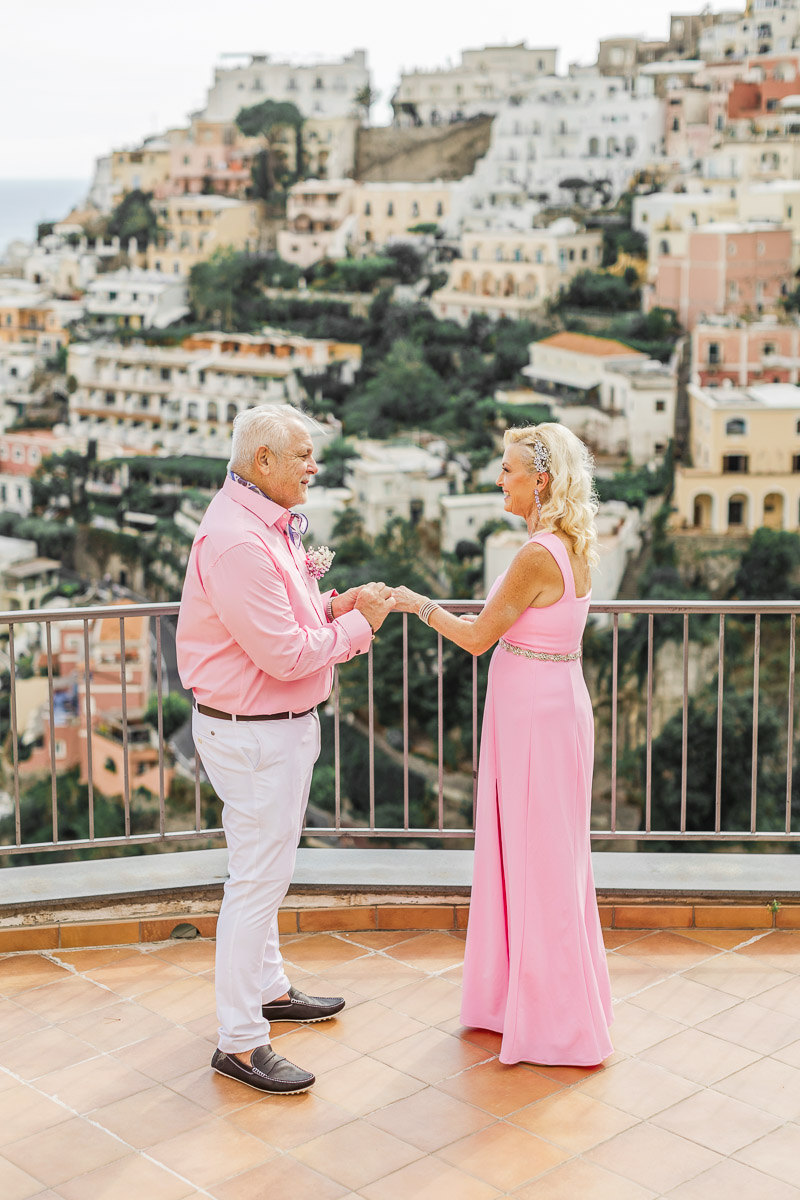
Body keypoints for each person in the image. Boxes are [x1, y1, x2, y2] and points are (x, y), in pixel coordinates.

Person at [176, 404, 395, 1094]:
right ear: (261, 462)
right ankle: (240, 1042)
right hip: (255, 734)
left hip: (268, 730)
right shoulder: (239, 542)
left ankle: (267, 990)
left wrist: (332, 606)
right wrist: (359, 628)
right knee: (257, 883)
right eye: (302, 454)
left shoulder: (259, 527)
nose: (314, 466)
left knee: (261, 869)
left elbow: (290, 619)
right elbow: (284, 654)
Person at [392, 423, 613, 1066]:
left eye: (509, 470)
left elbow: (476, 637)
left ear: (539, 480)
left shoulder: (536, 556)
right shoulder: (570, 544)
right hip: (552, 707)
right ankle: (528, 1002)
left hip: (534, 719)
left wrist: (413, 602)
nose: (500, 480)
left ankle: (555, 1023)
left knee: (534, 862)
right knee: (546, 860)